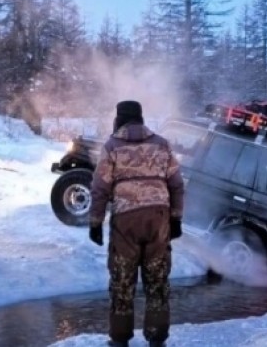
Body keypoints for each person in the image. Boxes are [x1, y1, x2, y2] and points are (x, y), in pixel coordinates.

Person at [88, 100, 185, 347]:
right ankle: (157, 338)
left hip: (125, 222)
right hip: (158, 220)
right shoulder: (161, 144)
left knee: (122, 279)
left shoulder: (111, 146)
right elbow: (176, 185)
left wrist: (95, 222)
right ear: (141, 118)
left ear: (119, 119)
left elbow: (100, 188)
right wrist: (176, 219)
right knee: (157, 279)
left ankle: (120, 339)